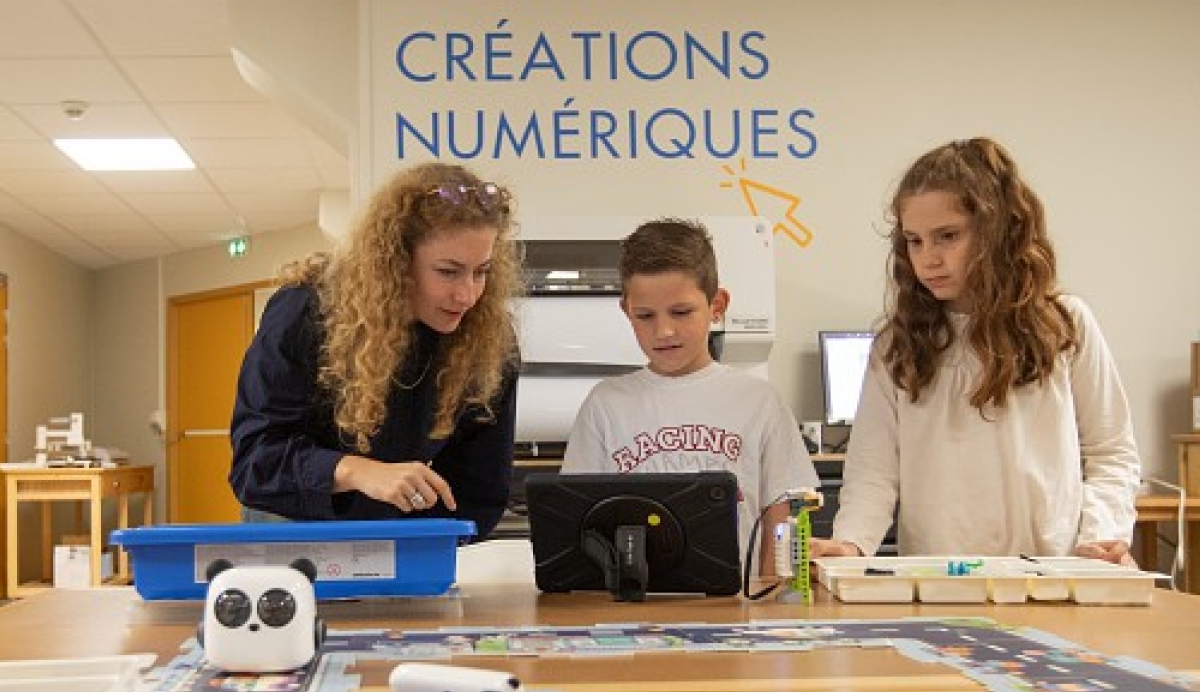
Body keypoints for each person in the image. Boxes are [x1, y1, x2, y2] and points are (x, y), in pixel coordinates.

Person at [817, 138, 1140, 563]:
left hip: (1051, 576)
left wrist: (1100, 536)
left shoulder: (1063, 325)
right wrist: (851, 543)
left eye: (947, 237)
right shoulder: (896, 345)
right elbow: (872, 472)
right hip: (938, 585)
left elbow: (1111, 450)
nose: (927, 259)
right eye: (914, 241)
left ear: (996, 231)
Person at [230, 162, 521, 538]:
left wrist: (414, 553)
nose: (466, 294)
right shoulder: (305, 312)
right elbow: (256, 463)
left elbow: (477, 493)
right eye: (448, 272)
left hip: (396, 538)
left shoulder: (488, 340)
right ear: (397, 263)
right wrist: (355, 471)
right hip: (290, 526)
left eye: (480, 271)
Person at [562, 218, 819, 582]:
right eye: (645, 316)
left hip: (735, 614)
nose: (664, 331)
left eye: (681, 313)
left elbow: (785, 515)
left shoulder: (760, 402)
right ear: (626, 311)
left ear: (717, 305)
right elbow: (578, 519)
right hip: (632, 616)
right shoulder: (605, 404)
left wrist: (773, 606)